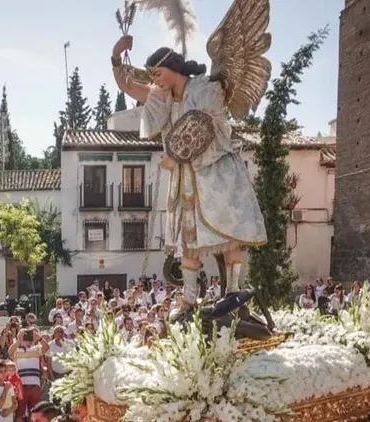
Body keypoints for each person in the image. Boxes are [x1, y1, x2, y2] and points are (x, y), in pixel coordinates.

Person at [109, 1, 272, 305]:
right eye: (153, 75)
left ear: (171, 69)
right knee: (189, 241)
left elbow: (207, 125)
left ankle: (234, 292)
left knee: (228, 235)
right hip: (185, 179)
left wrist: (178, 153)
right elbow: (129, 86)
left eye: (157, 74)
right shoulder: (162, 97)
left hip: (216, 172)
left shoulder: (208, 88)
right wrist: (116, 56)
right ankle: (189, 299)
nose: (154, 80)